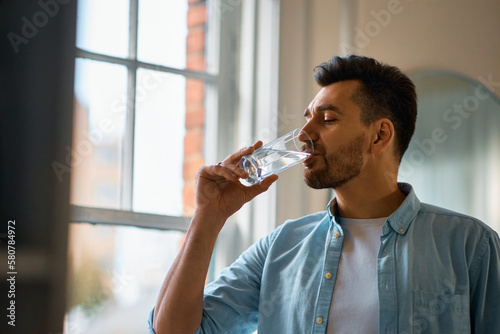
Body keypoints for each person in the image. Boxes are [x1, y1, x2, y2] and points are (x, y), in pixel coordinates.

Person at [148, 55, 500, 333]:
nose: (303, 135)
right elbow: (173, 331)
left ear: (378, 137)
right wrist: (208, 217)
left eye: (327, 119)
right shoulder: (280, 248)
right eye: (306, 119)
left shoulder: (471, 246)